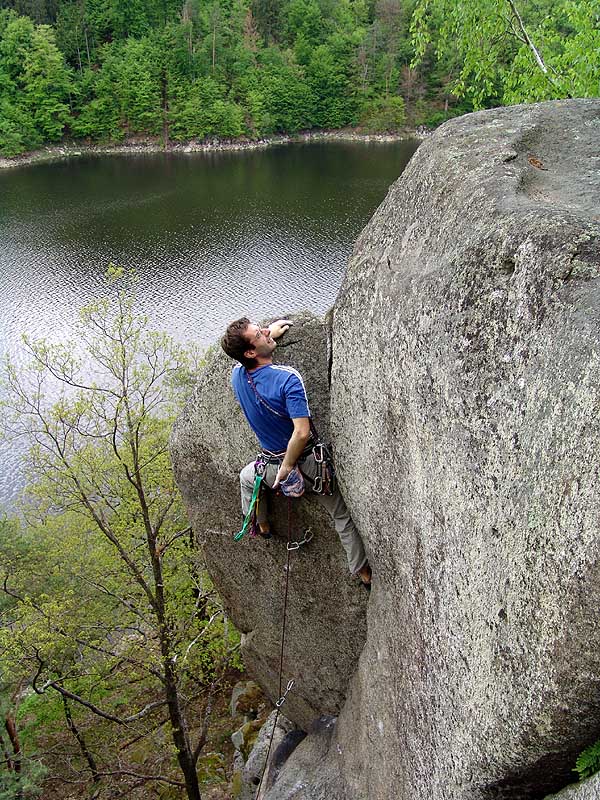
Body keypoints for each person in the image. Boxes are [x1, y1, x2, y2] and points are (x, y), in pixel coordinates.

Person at [221, 316, 372, 589]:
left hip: (268, 468)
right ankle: (363, 572)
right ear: (250, 352)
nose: (267, 330)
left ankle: (261, 525)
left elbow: (246, 362)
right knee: (340, 516)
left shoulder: (237, 376)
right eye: (260, 333)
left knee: (246, 477)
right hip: (307, 466)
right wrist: (288, 466)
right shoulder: (287, 379)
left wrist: (270, 339)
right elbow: (301, 432)